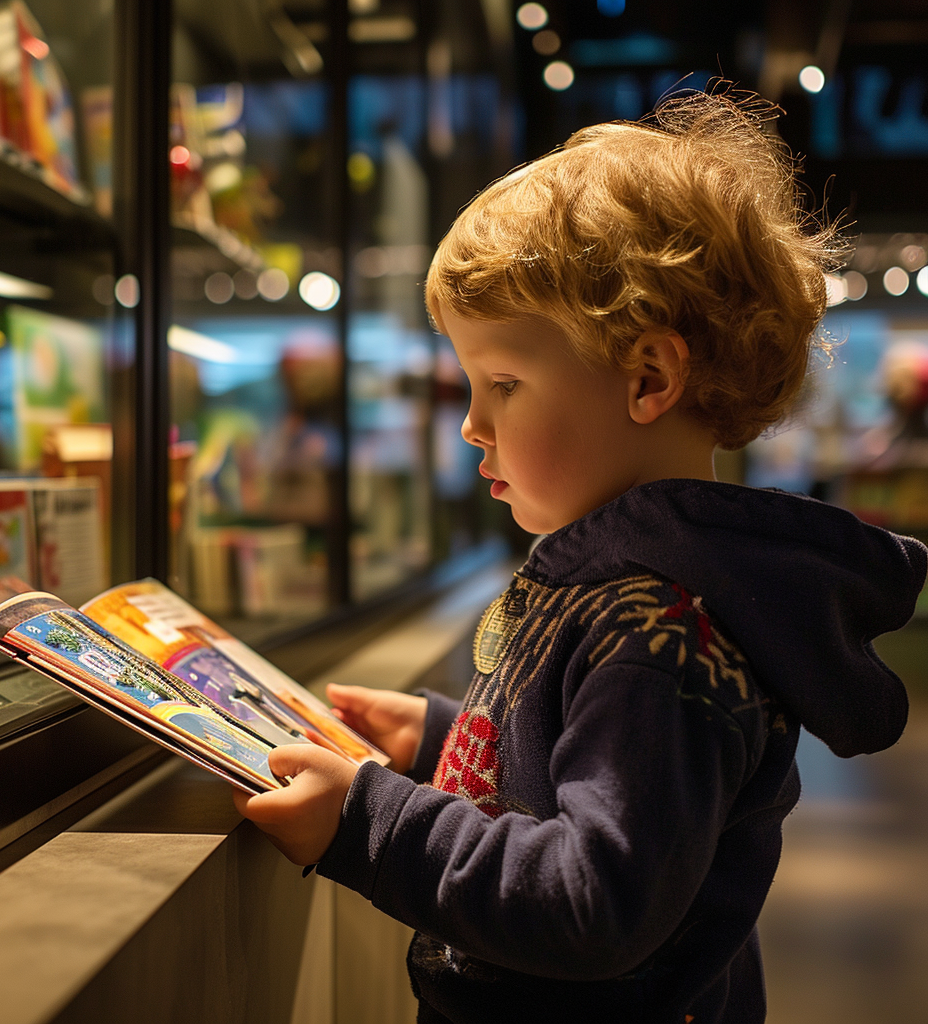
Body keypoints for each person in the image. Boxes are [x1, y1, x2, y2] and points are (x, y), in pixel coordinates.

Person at [234, 89, 928, 1024]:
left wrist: (369, 822)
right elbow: (571, 771)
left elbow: (593, 901)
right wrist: (441, 740)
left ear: (647, 377)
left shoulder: (662, 637)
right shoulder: (613, 585)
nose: (473, 426)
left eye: (504, 384)